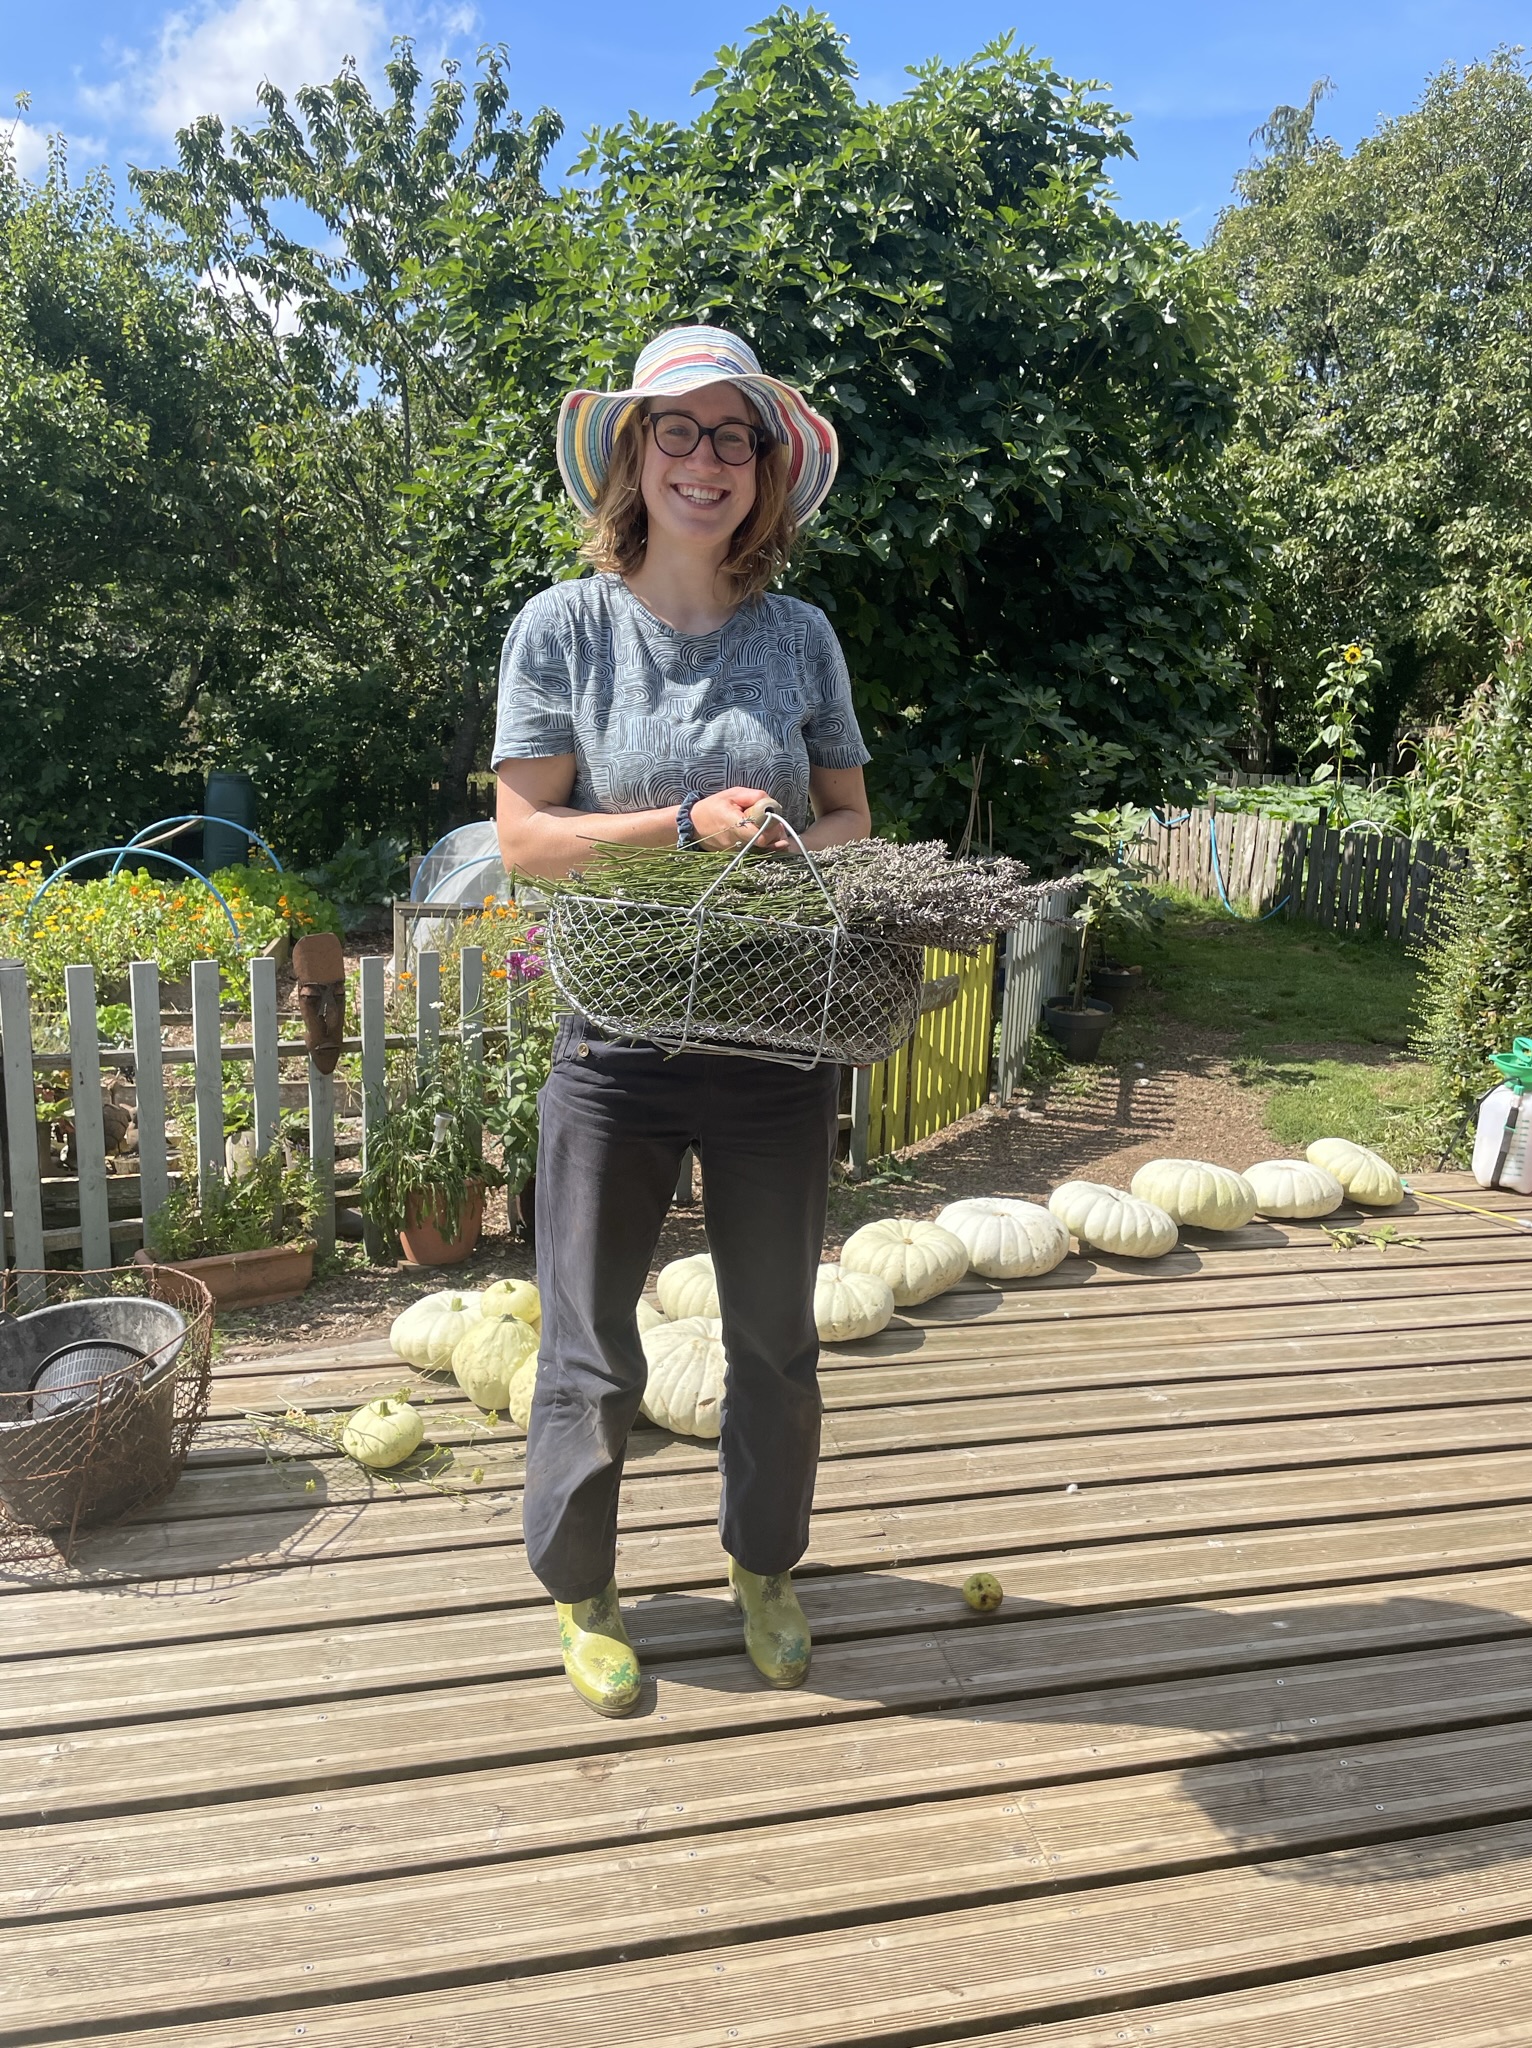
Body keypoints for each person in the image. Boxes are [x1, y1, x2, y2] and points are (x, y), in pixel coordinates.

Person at [492, 325, 872, 1716]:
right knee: (592, 1342)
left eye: (732, 437)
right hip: (612, 1047)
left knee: (774, 1339)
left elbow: (849, 816)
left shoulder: (801, 638)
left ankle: (765, 1566)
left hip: (775, 1051)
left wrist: (795, 848)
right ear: (634, 456)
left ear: (764, 471)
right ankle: (580, 1589)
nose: (704, 461)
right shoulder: (563, 628)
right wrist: (685, 831)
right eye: (678, 432)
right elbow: (524, 839)